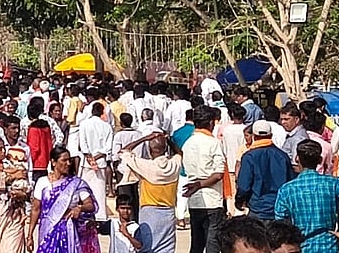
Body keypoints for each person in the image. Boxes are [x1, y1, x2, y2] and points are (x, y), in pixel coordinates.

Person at [274, 140, 339, 253]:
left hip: (302, 247)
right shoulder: (333, 183)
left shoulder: (286, 190)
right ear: (320, 160)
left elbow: (281, 224)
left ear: (297, 159)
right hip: (329, 246)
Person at [28, 146, 100, 253]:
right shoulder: (42, 182)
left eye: (69, 160)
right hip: (47, 231)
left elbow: (90, 205)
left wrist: (80, 208)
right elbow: (36, 209)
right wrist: (30, 235)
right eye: (64, 160)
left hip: (69, 232)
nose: (68, 163)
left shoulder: (76, 184)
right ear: (53, 162)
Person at [117, 132, 181, 253]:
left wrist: (145, 138)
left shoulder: (146, 166)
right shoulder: (174, 165)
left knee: (148, 246)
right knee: (167, 248)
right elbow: (179, 153)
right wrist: (169, 141)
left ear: (150, 151)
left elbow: (123, 151)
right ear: (165, 148)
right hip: (168, 213)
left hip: (149, 212)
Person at [181, 106, 226, 253]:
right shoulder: (213, 143)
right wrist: (200, 185)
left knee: (197, 244)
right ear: (211, 123)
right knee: (213, 244)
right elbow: (218, 174)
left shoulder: (188, 143)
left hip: (194, 201)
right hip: (212, 200)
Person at [236, 121, 295, 220]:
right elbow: (290, 183)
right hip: (279, 209)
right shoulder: (282, 156)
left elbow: (244, 186)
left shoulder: (249, 157)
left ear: (254, 136)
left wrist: (239, 201)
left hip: (258, 209)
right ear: (271, 135)